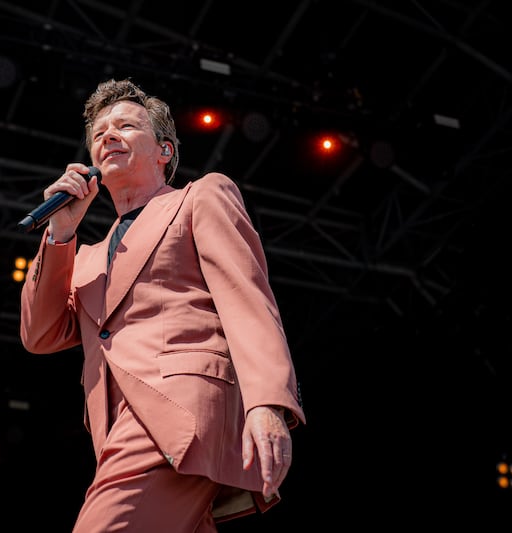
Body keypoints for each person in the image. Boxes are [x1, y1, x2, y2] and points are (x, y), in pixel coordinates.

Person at [19, 78, 306, 532]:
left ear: (164, 152)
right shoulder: (85, 257)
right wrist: (60, 234)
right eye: (99, 133)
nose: (108, 136)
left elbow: (247, 299)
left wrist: (268, 403)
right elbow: (39, 335)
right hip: (117, 432)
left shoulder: (200, 197)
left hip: (183, 411)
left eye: (127, 126)